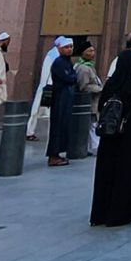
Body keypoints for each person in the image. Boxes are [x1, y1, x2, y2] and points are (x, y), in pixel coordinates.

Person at [90, 31, 131, 227]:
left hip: (109, 134)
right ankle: (121, 213)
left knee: (106, 172)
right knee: (126, 172)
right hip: (128, 134)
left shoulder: (111, 83)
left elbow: (101, 106)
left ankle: (100, 213)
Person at [46, 37, 77, 167]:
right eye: (66, 47)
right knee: (57, 127)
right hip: (60, 98)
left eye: (71, 47)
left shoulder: (67, 62)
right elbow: (69, 77)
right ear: (59, 49)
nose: (69, 49)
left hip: (66, 97)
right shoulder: (59, 62)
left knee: (63, 126)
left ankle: (57, 153)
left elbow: (73, 76)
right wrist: (72, 78)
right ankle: (53, 155)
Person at [26, 36, 64, 141]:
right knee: (38, 111)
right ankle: (30, 131)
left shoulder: (57, 55)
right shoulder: (52, 56)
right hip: (48, 87)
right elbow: (46, 74)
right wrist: (48, 86)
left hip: (51, 87)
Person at [74, 41, 104, 155]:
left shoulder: (90, 66)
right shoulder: (83, 68)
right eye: (89, 51)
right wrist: (99, 89)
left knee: (93, 124)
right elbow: (83, 86)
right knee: (92, 125)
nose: (93, 53)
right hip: (89, 102)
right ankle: (95, 147)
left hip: (93, 102)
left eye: (93, 50)